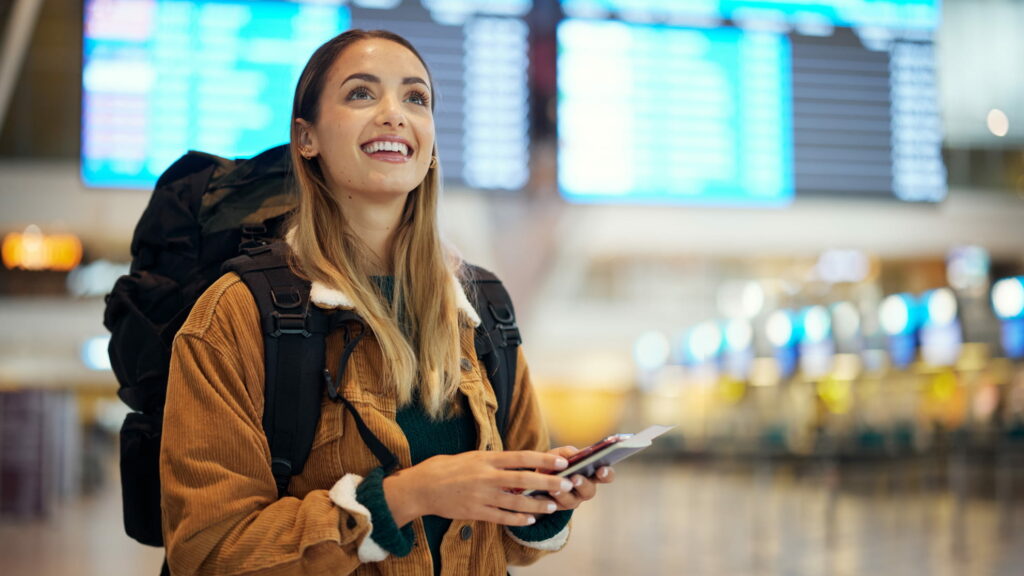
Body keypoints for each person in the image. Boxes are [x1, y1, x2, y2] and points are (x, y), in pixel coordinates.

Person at [159, 29, 614, 576]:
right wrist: (405, 497)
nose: (394, 114)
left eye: (415, 98)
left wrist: (545, 496)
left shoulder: (480, 306)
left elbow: (511, 545)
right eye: (360, 94)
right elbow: (208, 552)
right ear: (306, 137)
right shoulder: (236, 316)